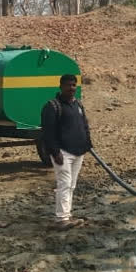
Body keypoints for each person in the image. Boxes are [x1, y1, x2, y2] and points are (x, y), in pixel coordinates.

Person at [41, 74, 93, 229]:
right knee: (64, 183)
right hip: (63, 153)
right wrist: (55, 152)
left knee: (72, 185)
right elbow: (48, 132)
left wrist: (87, 144)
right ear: (61, 86)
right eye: (68, 85)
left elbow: (84, 126)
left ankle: (67, 214)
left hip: (79, 151)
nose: (71, 88)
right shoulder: (52, 106)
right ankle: (61, 219)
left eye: (74, 85)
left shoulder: (78, 105)